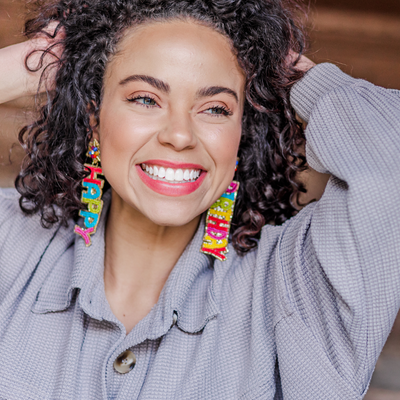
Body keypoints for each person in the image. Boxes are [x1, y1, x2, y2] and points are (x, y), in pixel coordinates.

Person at [0, 0, 399, 398]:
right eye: (145, 99)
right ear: (94, 117)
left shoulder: (291, 288)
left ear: (242, 131)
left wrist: (302, 78)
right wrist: (28, 64)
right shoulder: (11, 246)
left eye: (215, 108)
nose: (180, 135)